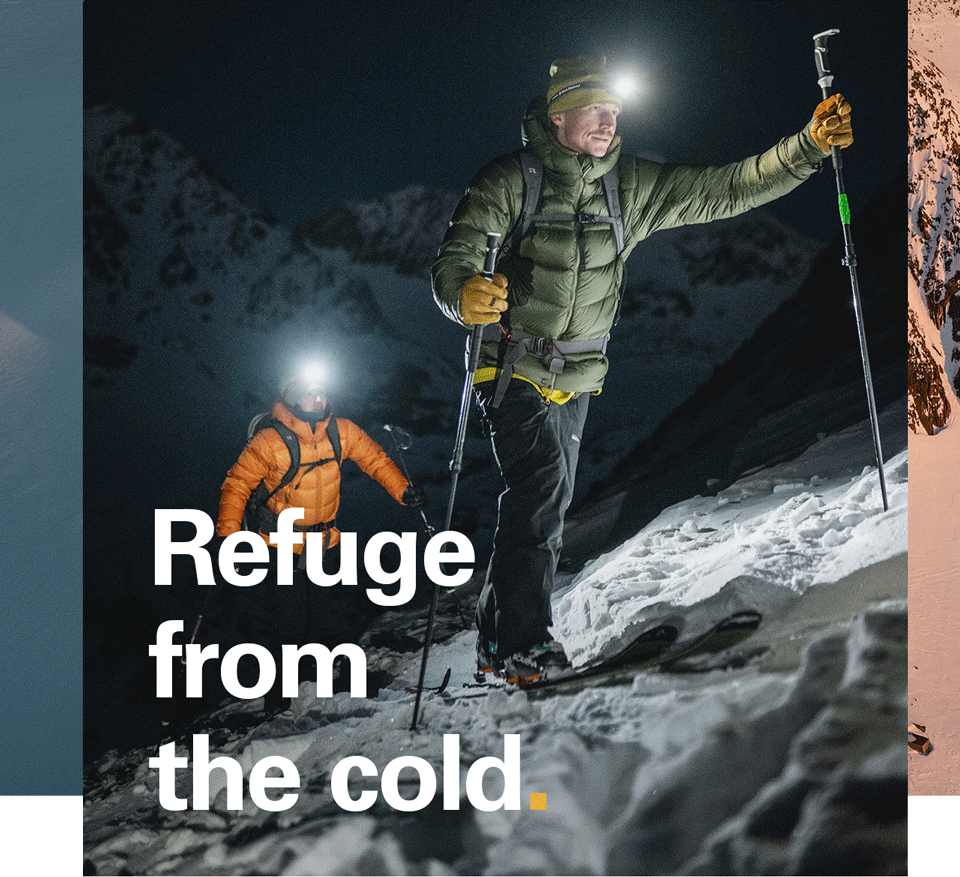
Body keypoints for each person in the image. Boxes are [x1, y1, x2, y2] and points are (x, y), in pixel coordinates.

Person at [431, 55, 853, 685]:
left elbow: (727, 187)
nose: (609, 121)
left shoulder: (627, 186)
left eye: (615, 111)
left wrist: (806, 147)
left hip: (576, 377)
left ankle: (497, 644)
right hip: (512, 365)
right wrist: (463, 289)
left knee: (543, 504)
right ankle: (523, 644)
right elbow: (458, 254)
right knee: (541, 493)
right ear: (559, 116)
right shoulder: (509, 181)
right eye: (596, 110)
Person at [216, 369, 425, 711]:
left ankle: (314, 692)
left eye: (322, 392)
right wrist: (228, 534)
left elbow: (374, 460)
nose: (318, 398)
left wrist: (403, 490)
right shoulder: (270, 441)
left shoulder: (340, 431)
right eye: (310, 393)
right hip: (281, 547)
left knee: (321, 620)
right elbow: (236, 485)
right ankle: (280, 702)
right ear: (293, 397)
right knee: (290, 625)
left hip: (324, 545)